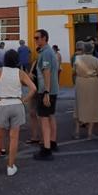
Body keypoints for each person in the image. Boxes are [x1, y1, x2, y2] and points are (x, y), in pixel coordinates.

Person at [0, 49, 37, 176]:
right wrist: (24, 99)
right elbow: (33, 88)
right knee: (14, 137)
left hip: (3, 104)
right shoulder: (20, 73)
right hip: (17, 105)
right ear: (17, 60)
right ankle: (11, 166)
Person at [32, 29, 60, 161]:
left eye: (37, 38)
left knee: (44, 119)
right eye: (35, 38)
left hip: (46, 90)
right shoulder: (49, 52)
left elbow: (46, 72)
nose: (35, 40)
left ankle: (47, 149)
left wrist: (46, 92)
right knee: (50, 116)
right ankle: (52, 142)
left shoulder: (46, 53)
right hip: (51, 89)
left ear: (44, 38)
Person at [72, 41, 98, 140]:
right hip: (92, 83)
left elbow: (73, 71)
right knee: (92, 106)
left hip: (80, 82)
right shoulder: (95, 60)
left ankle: (77, 132)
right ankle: (90, 133)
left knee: (79, 105)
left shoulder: (77, 59)